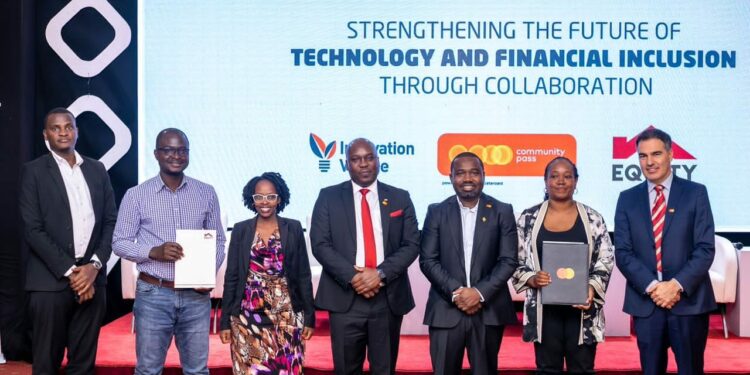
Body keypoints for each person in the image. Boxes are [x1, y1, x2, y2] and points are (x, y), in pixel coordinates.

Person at [112, 128, 226, 375]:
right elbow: (119, 242)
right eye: (169, 150)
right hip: (154, 293)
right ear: (156, 154)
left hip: (196, 298)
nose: (176, 155)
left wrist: (207, 274)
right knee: (148, 370)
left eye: (182, 150)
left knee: (197, 370)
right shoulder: (136, 195)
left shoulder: (206, 192)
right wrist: (153, 251)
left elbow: (218, 241)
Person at [19, 107, 117, 374]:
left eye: (68, 126)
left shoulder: (97, 170)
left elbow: (110, 222)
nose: (63, 132)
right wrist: (73, 273)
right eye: (56, 128)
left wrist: (93, 267)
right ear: (45, 135)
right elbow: (33, 230)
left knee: (83, 364)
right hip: (49, 283)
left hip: (93, 280)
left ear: (76, 131)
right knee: (46, 364)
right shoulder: (34, 172)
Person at [310, 138, 420, 375]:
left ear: (378, 161)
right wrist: (354, 277)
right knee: (346, 369)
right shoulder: (328, 197)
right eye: (356, 159)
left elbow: (411, 244)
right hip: (344, 297)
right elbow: (320, 244)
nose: (364, 164)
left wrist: (379, 275)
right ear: (347, 164)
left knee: (384, 369)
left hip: (387, 297)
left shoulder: (401, 197)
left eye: (369, 158)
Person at [615, 128, 715, 375]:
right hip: (647, 305)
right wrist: (653, 287)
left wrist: (675, 285)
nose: (649, 162)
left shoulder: (696, 193)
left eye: (656, 154)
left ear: (670, 154)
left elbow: (705, 248)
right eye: (643, 156)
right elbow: (624, 253)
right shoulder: (627, 199)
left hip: (688, 303)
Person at [512, 157, 614, 374]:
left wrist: (592, 287)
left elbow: (605, 259)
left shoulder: (593, 218)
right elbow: (514, 260)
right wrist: (531, 278)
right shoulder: (528, 219)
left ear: (576, 182)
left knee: (583, 369)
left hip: (583, 312)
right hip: (544, 311)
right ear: (545, 180)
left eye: (567, 176)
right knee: (547, 369)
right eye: (554, 176)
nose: (561, 181)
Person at [420, 152, 518, 375]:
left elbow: (508, 260)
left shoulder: (502, 211)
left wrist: (479, 293)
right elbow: (428, 260)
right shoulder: (436, 211)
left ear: (484, 175)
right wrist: (456, 292)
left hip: (488, 309)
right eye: (460, 173)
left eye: (474, 172)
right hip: (445, 309)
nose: (468, 178)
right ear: (451, 176)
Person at [219, 172, 315, 374]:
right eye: (259, 197)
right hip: (247, 315)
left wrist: (309, 317)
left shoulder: (294, 228)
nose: (265, 202)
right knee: (249, 369)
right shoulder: (240, 230)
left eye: (271, 196)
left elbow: (303, 275)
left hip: (286, 314)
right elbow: (232, 277)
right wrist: (225, 321)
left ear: (279, 199)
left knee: (287, 368)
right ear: (251, 199)